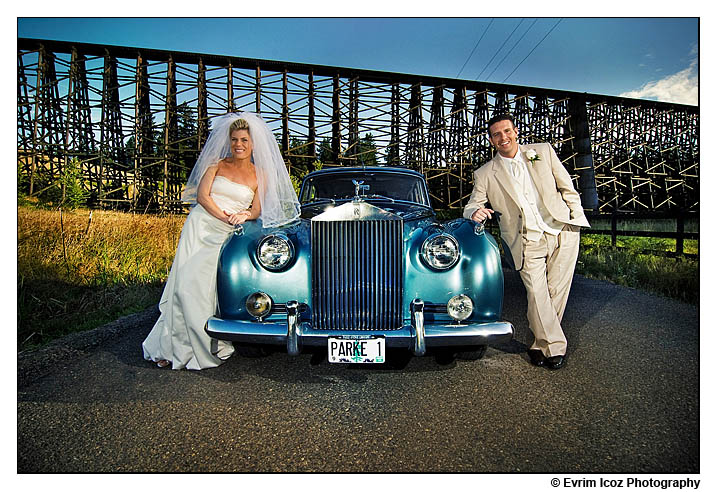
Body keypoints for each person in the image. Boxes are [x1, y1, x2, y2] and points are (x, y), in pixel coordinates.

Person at [142, 112, 300, 370]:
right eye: (235, 139)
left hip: (228, 234)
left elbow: (257, 210)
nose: (238, 145)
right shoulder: (216, 163)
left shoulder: (261, 173)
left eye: (244, 140)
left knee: (204, 291)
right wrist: (225, 216)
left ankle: (199, 346)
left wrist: (245, 214)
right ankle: (171, 348)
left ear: (253, 144)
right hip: (202, 225)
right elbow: (203, 197)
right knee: (183, 287)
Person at [463, 113, 590, 370]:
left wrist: (575, 219)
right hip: (525, 241)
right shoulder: (486, 173)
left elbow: (567, 188)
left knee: (554, 293)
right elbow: (471, 206)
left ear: (516, 131)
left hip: (562, 231)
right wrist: (474, 213)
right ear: (491, 140)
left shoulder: (542, 151)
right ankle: (554, 348)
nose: (503, 137)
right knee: (537, 293)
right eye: (497, 134)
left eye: (507, 131)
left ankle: (538, 344)